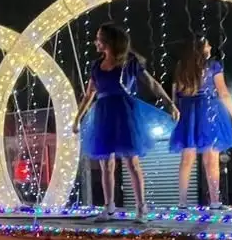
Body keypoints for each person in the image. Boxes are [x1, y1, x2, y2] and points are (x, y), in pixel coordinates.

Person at [74, 22, 179, 217]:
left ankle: (141, 207)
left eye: (99, 38)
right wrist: (77, 118)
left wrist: (169, 102)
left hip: (124, 112)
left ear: (108, 41)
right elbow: (89, 95)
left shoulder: (129, 62)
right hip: (103, 114)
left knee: (132, 160)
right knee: (106, 163)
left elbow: (151, 83)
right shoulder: (96, 65)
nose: (95, 41)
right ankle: (109, 206)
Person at [169, 36, 232, 207]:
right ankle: (215, 201)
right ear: (201, 48)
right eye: (207, 44)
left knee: (187, 158)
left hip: (188, 111)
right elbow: (224, 93)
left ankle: (182, 201)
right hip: (209, 109)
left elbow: (176, 94)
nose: (210, 46)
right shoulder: (213, 65)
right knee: (211, 160)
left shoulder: (181, 66)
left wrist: (177, 112)